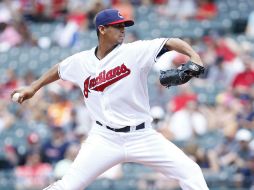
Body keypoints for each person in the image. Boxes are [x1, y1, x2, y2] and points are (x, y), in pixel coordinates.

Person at [11, 8, 209, 190]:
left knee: (190, 172)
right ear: (102, 29)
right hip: (104, 138)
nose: (123, 30)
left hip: (142, 136)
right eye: (118, 26)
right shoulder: (82, 61)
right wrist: (33, 87)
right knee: (68, 185)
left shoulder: (134, 51)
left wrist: (194, 57)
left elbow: (170, 42)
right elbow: (60, 69)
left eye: (124, 26)